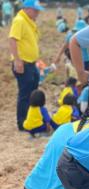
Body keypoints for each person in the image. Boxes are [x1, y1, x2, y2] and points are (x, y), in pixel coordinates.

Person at [8, 0, 43, 131]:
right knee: (25, 94)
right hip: (23, 63)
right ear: (28, 9)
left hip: (32, 63)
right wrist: (17, 60)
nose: (38, 13)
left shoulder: (29, 21)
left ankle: (30, 119)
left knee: (32, 93)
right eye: (36, 10)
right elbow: (12, 40)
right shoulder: (20, 21)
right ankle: (22, 123)